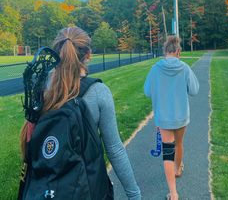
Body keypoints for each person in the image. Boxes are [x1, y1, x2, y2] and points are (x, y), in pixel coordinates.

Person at [20, 26, 141, 200]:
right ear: (88, 55)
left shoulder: (43, 89)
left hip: (44, 189)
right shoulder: (99, 92)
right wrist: (134, 194)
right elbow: (114, 149)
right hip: (88, 190)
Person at [144, 36, 199, 200]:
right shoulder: (184, 68)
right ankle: (177, 169)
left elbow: (147, 91)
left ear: (165, 51)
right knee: (179, 143)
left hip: (163, 118)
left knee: (167, 152)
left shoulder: (155, 68)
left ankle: (173, 193)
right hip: (181, 116)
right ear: (178, 51)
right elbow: (194, 90)